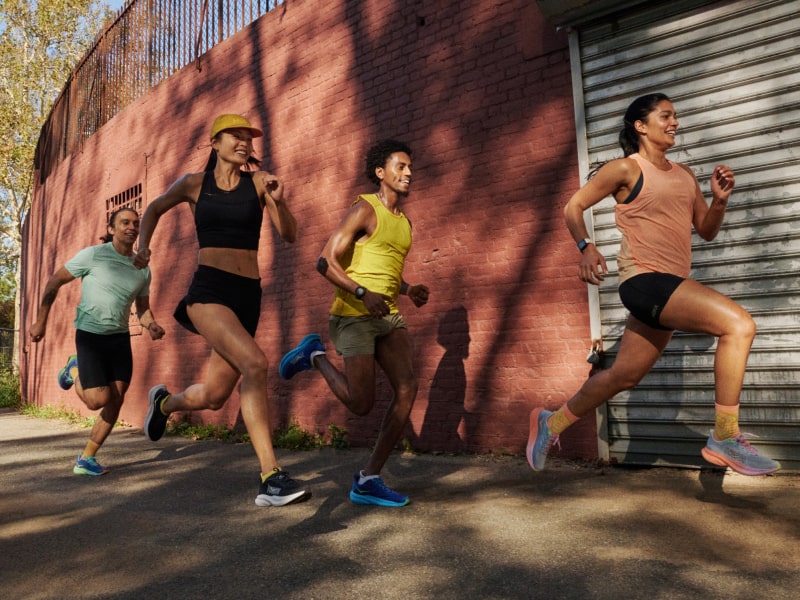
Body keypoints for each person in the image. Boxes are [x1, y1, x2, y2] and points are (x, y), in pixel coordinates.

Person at [527, 93, 780, 476]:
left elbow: (706, 231)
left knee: (624, 376)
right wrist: (586, 247)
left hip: (668, 285)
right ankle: (725, 435)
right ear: (640, 126)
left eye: (675, 116)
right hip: (643, 281)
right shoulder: (626, 169)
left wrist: (720, 202)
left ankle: (551, 423)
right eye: (666, 116)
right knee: (739, 324)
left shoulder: (685, 175)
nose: (674, 122)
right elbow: (572, 206)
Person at [133, 114, 310, 507]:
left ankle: (164, 403)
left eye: (249, 137)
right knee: (256, 364)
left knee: (214, 396)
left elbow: (290, 234)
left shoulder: (260, 184)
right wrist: (143, 247)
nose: (244, 141)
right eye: (236, 135)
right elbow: (155, 209)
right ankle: (270, 478)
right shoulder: (195, 184)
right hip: (209, 290)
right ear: (215, 142)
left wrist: (278, 202)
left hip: (248, 295)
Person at [279, 139, 430, 507]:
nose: (408, 173)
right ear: (381, 172)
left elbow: (382, 270)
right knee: (361, 404)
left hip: (388, 314)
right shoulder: (365, 209)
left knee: (407, 388)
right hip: (354, 314)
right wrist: (363, 294)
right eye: (400, 166)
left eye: (410, 167)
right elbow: (325, 261)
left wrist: (409, 290)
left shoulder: (405, 223)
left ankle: (368, 478)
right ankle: (314, 354)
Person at [30, 207, 165, 476]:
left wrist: (151, 325)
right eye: (124, 222)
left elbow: (142, 307)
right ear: (111, 228)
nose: (131, 227)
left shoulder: (142, 269)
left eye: (136, 223)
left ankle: (86, 458)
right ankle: (74, 369)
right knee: (96, 401)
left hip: (119, 339)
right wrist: (41, 321)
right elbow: (55, 282)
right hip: (90, 337)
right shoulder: (93, 256)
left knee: (116, 398)